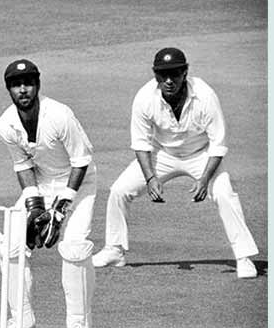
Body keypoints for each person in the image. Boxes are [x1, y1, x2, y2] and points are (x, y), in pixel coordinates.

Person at [91, 47, 259, 279]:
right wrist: (150, 178)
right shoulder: (144, 98)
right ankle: (114, 251)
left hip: (201, 154)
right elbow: (140, 143)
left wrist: (204, 179)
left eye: (175, 74)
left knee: (224, 193)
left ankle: (244, 257)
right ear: (155, 75)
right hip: (163, 154)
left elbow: (218, 144)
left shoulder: (205, 95)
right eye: (163, 75)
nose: (169, 80)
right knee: (119, 190)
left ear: (185, 72)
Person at [0, 58, 97, 328]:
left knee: (74, 248)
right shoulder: (6, 124)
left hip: (79, 182)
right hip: (41, 183)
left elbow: (81, 161)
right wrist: (35, 205)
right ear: (9, 90)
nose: (23, 90)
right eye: (16, 85)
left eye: (28, 84)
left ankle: (78, 325)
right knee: (10, 245)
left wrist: (61, 208)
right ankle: (23, 321)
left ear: (37, 85)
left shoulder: (59, 115)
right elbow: (22, 166)